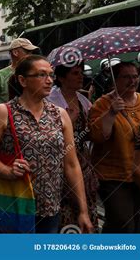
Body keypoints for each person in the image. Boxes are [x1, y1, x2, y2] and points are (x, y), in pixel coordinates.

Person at [0, 55, 94, 233]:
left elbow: (71, 165)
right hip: (13, 203)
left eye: (51, 75)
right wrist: (8, 171)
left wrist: (83, 210)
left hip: (49, 208)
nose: (49, 80)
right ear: (22, 80)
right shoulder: (3, 112)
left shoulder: (60, 115)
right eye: (41, 75)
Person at [89, 62, 140, 233]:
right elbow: (97, 136)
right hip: (114, 178)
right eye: (126, 77)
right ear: (115, 79)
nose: (132, 81)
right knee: (122, 222)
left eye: (135, 76)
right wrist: (111, 113)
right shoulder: (103, 104)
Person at [47, 63, 99, 231]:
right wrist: (70, 122)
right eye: (75, 73)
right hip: (60, 166)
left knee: (86, 206)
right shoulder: (50, 102)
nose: (81, 76)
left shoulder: (83, 101)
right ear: (61, 78)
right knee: (66, 211)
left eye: (81, 73)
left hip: (83, 164)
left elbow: (91, 133)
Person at [0, 38, 39, 121]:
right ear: (15, 52)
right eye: (27, 52)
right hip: (6, 123)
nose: (30, 56)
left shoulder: (34, 74)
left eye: (31, 53)